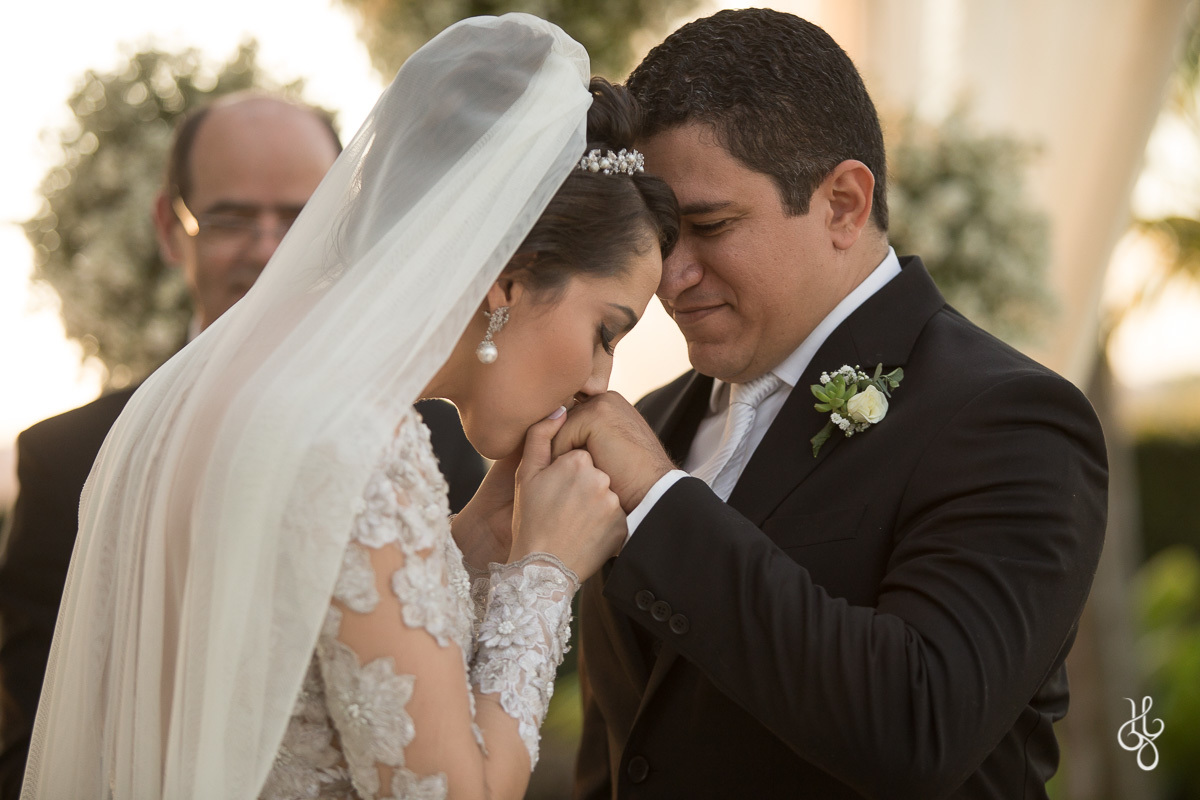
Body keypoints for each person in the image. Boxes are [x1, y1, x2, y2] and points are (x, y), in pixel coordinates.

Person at [19, 13, 679, 800]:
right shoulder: (361, 439)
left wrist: (480, 538)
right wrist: (545, 574)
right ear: (509, 280)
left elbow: (316, 649)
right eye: (607, 330)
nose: (602, 381)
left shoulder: (231, 386)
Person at [563, 9, 1108, 799]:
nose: (667, 275)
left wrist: (659, 499)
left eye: (708, 225)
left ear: (845, 204)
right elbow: (621, 750)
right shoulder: (649, 420)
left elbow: (917, 728)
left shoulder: (1013, 421)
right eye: (656, 233)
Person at [0, 92, 481, 796]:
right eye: (232, 218)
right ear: (172, 227)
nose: (266, 248)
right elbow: (35, 747)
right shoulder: (65, 460)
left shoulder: (437, 439)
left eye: (300, 217)